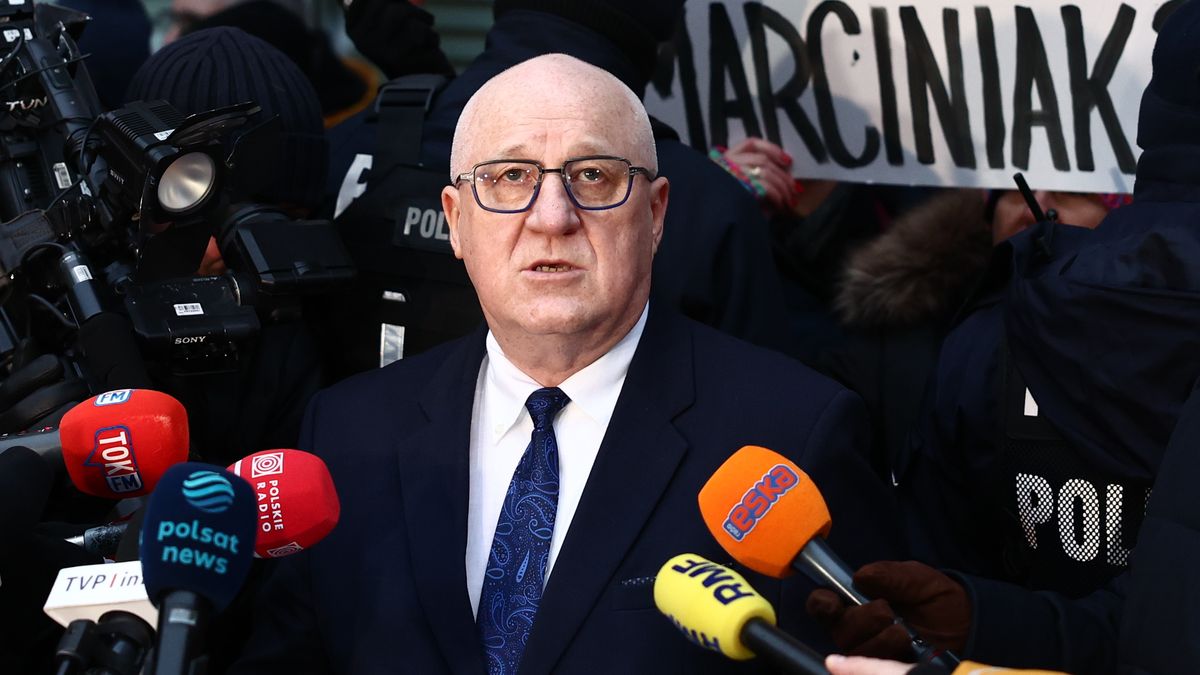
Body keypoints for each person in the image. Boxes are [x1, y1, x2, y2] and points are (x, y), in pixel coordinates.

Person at [232, 54, 902, 674]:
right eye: (510, 176)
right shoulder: (348, 435)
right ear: (457, 221)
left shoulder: (795, 434)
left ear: (657, 213)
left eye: (594, 176)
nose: (552, 217)